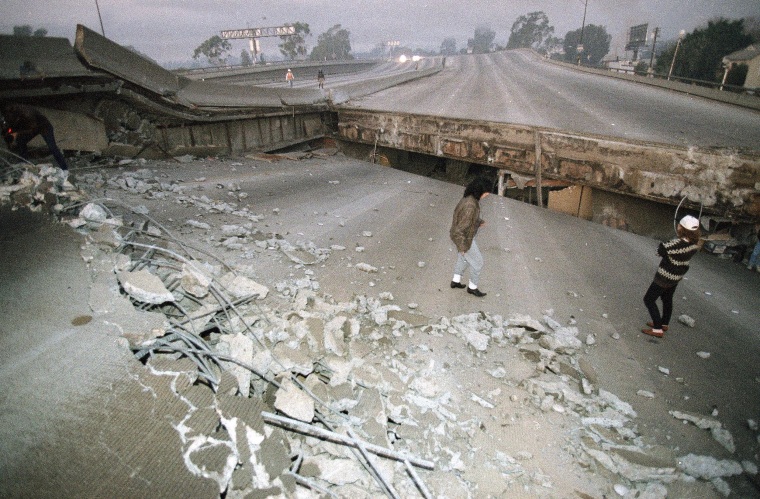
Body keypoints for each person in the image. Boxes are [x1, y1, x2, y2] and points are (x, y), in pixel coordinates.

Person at [642, 215, 701, 338]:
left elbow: (659, 252)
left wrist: (668, 243)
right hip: (676, 278)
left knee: (649, 299)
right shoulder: (694, 245)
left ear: (682, 229)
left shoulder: (672, 244)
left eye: (679, 225)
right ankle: (664, 323)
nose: (678, 226)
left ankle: (658, 329)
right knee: (667, 299)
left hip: (664, 277)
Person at [449, 177, 492, 297]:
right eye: (486, 193)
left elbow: (467, 219)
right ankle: (472, 287)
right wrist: (463, 247)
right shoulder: (471, 205)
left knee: (464, 259)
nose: (487, 195)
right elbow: (459, 230)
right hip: (465, 238)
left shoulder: (469, 199)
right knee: (478, 262)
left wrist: (478, 222)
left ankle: (455, 281)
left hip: (465, 237)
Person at [1, 103, 69, 170]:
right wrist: (9, 140)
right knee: (21, 141)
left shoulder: (26, 112)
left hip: (43, 126)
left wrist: (16, 133)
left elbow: (30, 128)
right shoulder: (7, 116)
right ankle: (24, 163)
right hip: (30, 127)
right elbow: (8, 128)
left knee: (52, 147)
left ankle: (64, 168)